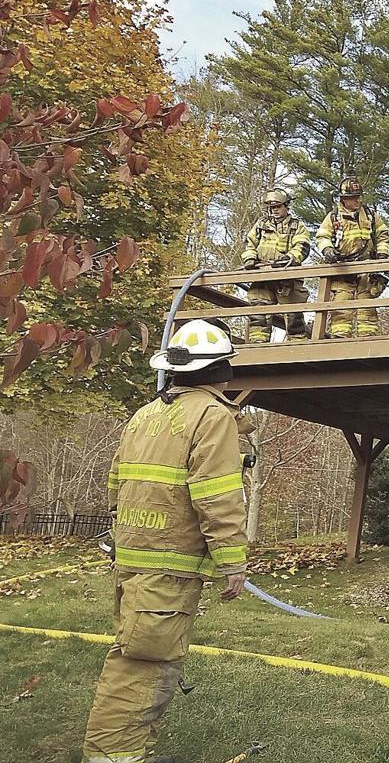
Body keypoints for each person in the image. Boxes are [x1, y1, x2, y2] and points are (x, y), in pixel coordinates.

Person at [82, 319, 250, 763]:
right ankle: (116, 757)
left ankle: (127, 751)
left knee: (139, 655)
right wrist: (233, 562)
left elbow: (116, 482)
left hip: (136, 560)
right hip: (168, 567)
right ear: (221, 369)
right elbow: (217, 495)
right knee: (143, 664)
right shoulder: (212, 416)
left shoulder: (147, 414)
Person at [315, 177, 389, 338]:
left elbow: (383, 234)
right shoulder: (333, 217)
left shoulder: (370, 215)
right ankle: (340, 342)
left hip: (366, 269)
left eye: (359, 196)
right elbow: (322, 236)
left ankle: (367, 340)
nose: (358, 200)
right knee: (341, 309)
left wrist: (382, 254)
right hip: (343, 269)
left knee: (367, 309)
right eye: (354, 197)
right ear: (344, 199)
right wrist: (328, 250)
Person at [239, 188, 311, 342]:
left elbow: (302, 246)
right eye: (272, 208)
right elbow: (249, 244)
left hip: (287, 279)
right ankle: (257, 347)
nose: (275, 210)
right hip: (262, 277)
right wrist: (250, 259)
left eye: (278, 207)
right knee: (258, 314)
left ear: (286, 206)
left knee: (293, 317)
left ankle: (298, 348)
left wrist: (289, 259)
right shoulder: (261, 224)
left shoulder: (297, 226)